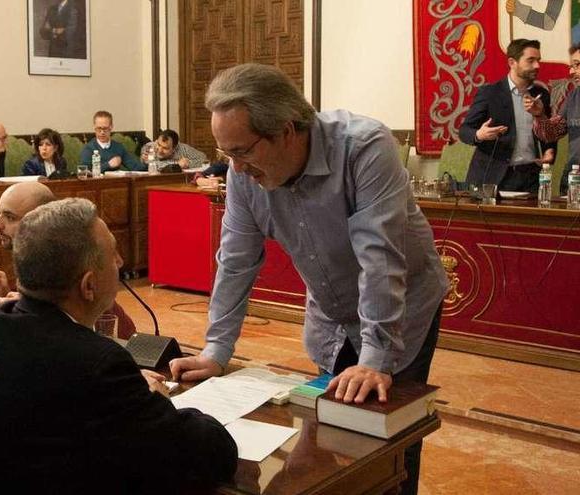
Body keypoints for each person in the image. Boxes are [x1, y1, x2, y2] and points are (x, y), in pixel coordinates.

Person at [168, 63, 448, 495]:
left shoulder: (364, 147)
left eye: (241, 152)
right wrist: (216, 350)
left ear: (285, 131)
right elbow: (236, 261)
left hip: (401, 308)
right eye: (227, 155)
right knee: (324, 430)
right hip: (332, 312)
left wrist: (375, 360)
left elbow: (381, 261)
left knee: (388, 438)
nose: (235, 169)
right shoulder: (246, 175)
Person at [0, 198, 237, 494]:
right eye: (113, 254)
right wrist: (154, 400)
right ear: (89, 286)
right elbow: (211, 454)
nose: (120, 262)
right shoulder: (96, 365)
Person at [0, 181, 136, 339]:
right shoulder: (32, 263)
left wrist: (31, 310)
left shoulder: (70, 262)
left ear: (39, 223)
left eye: (9, 217)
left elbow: (120, 337)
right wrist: (11, 301)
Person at [458, 39, 557, 193]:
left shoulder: (541, 94)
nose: (537, 65)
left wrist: (549, 150)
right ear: (512, 62)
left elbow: (548, 132)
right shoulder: (490, 93)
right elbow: (464, 130)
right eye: (530, 60)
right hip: (494, 176)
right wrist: (479, 134)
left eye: (538, 60)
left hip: (530, 177)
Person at [526, 42, 580, 195]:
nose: (571, 71)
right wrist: (539, 115)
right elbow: (551, 133)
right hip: (575, 180)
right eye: (571, 66)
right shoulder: (574, 96)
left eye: (577, 65)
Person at [140, 129, 208, 170]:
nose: (160, 150)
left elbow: (204, 159)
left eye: (165, 148)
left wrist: (188, 164)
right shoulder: (148, 147)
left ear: (174, 148)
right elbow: (154, 165)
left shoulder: (183, 149)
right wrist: (177, 165)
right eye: (159, 144)